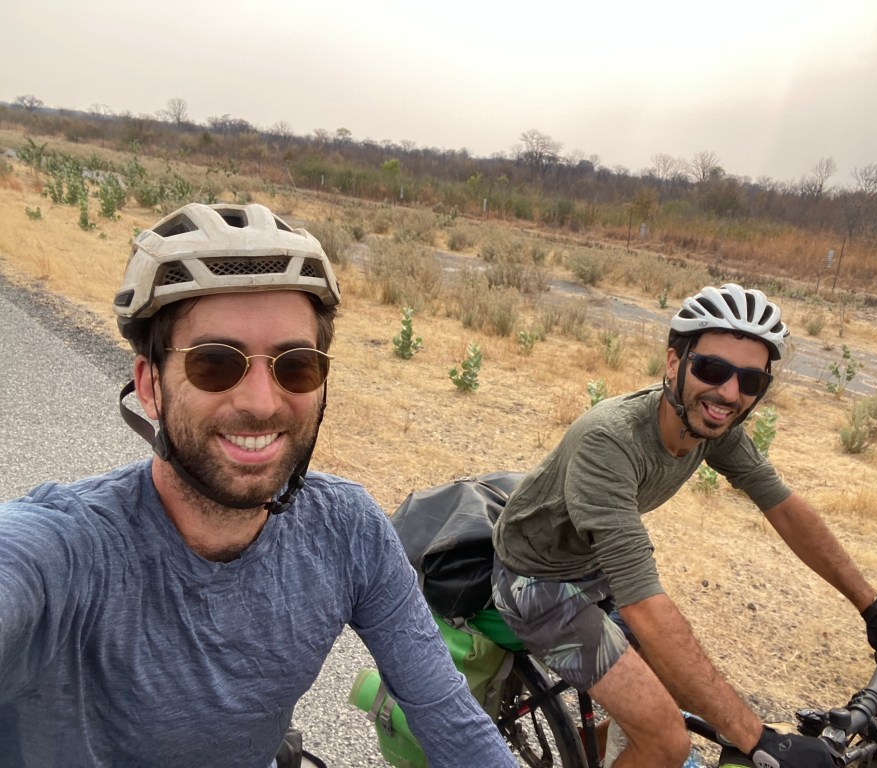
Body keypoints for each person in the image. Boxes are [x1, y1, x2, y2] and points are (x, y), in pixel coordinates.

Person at [0, 203, 516, 768]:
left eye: (295, 366)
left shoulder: (347, 530)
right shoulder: (65, 552)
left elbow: (449, 718)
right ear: (149, 386)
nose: (262, 402)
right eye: (215, 363)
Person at [491, 283, 877, 768]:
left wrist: (871, 604)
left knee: (666, 691)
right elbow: (644, 606)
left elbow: (782, 504)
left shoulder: (711, 425)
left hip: (591, 565)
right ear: (672, 364)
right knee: (668, 740)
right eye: (713, 369)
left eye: (750, 382)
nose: (728, 393)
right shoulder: (610, 442)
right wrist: (759, 738)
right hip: (537, 581)